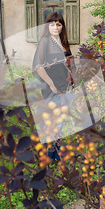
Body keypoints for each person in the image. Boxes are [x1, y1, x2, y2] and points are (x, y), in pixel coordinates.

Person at [32, 11, 74, 160]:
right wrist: (51, 84)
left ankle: (56, 156)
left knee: (60, 124)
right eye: (51, 24)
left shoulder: (63, 44)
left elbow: (70, 66)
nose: (55, 27)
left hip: (66, 89)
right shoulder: (45, 42)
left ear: (62, 26)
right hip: (53, 90)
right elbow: (37, 66)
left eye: (58, 24)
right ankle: (50, 158)